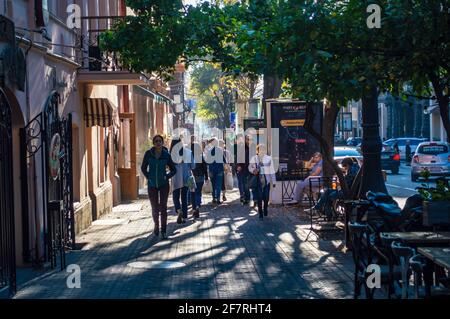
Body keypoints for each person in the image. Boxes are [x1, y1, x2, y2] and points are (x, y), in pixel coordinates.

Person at [141, 135, 177, 239]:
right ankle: (156, 225)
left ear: (162, 142)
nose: (158, 142)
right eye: (156, 141)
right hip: (152, 185)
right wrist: (149, 176)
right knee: (154, 207)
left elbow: (174, 169)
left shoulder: (166, 155)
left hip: (164, 185)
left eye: (160, 141)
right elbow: (143, 167)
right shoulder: (148, 154)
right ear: (153, 143)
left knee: (163, 207)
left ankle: (164, 230)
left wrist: (167, 176)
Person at [170, 138, 195, 224]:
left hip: (175, 178)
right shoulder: (188, 152)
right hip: (186, 177)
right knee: (184, 198)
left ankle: (178, 210)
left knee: (175, 196)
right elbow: (193, 166)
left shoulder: (171, 154)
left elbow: (168, 167)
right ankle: (184, 217)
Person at [249, 144, 276, 220]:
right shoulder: (254, 158)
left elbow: (272, 170)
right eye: (260, 149)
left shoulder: (269, 158)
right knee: (259, 198)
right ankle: (260, 213)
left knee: (266, 197)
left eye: (263, 149)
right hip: (258, 182)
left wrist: (274, 181)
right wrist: (253, 170)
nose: (262, 151)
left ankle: (265, 208)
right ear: (257, 150)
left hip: (266, 181)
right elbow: (249, 167)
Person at [205, 138, 227, 205]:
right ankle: (218, 199)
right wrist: (226, 167)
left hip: (212, 170)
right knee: (218, 185)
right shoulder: (220, 150)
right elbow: (224, 160)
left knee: (213, 185)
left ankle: (213, 198)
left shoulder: (209, 151)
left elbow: (207, 162)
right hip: (219, 170)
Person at [191, 141, 208, 218]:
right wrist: (206, 176)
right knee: (198, 192)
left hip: (192, 176)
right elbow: (205, 167)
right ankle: (198, 204)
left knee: (192, 192)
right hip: (200, 176)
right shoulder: (201, 156)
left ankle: (194, 206)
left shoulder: (189, 156)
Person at [235, 134, 251, 205]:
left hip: (251, 168)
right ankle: (246, 199)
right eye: (247, 139)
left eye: (249, 139)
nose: (248, 141)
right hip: (243, 169)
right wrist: (238, 165)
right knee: (244, 184)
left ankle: (252, 199)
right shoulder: (242, 148)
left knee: (248, 184)